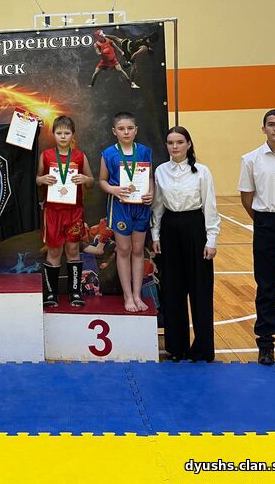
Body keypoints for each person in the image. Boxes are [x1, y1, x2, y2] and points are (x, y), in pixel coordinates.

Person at [152, 126, 219, 362]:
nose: (175, 146)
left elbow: (210, 205)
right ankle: (176, 347)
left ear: (188, 144)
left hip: (195, 227)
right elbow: (158, 205)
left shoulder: (202, 171)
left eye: (180, 142)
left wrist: (211, 239)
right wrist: (156, 235)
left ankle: (202, 348)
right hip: (170, 228)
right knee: (172, 289)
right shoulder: (161, 171)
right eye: (171, 143)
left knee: (200, 289)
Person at [239, 109, 275, 366]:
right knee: (265, 286)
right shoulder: (250, 159)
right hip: (266, 224)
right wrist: (263, 221)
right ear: (263, 129)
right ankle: (266, 344)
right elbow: (246, 197)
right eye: (271, 124)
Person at [37, 115, 94, 307]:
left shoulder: (79, 156)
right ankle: (50, 294)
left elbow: (91, 181)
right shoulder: (46, 155)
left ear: (73, 134)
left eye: (67, 133)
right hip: (52, 211)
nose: (63, 136)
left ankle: (75, 292)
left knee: (73, 249)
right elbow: (36, 179)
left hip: (74, 211)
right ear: (53, 134)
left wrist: (85, 179)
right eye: (59, 133)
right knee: (54, 250)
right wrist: (42, 179)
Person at [99, 111, 153, 312]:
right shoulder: (108, 153)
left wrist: (151, 193)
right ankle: (127, 296)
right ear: (114, 131)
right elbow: (102, 181)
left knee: (138, 250)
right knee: (123, 250)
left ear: (136, 130)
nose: (126, 132)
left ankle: (138, 295)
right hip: (120, 206)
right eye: (121, 129)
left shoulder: (145, 151)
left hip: (141, 206)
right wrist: (113, 189)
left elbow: (149, 178)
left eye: (130, 128)